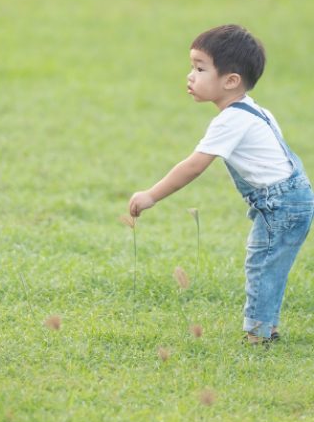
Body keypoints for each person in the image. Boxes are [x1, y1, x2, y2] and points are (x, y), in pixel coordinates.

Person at [128, 24, 313, 345]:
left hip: (281, 203)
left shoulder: (231, 120)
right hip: (292, 197)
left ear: (230, 81)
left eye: (200, 68)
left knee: (263, 266)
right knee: (269, 265)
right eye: (191, 66)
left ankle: (258, 335)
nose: (190, 75)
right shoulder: (254, 109)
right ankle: (265, 327)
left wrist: (151, 195)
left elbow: (194, 165)